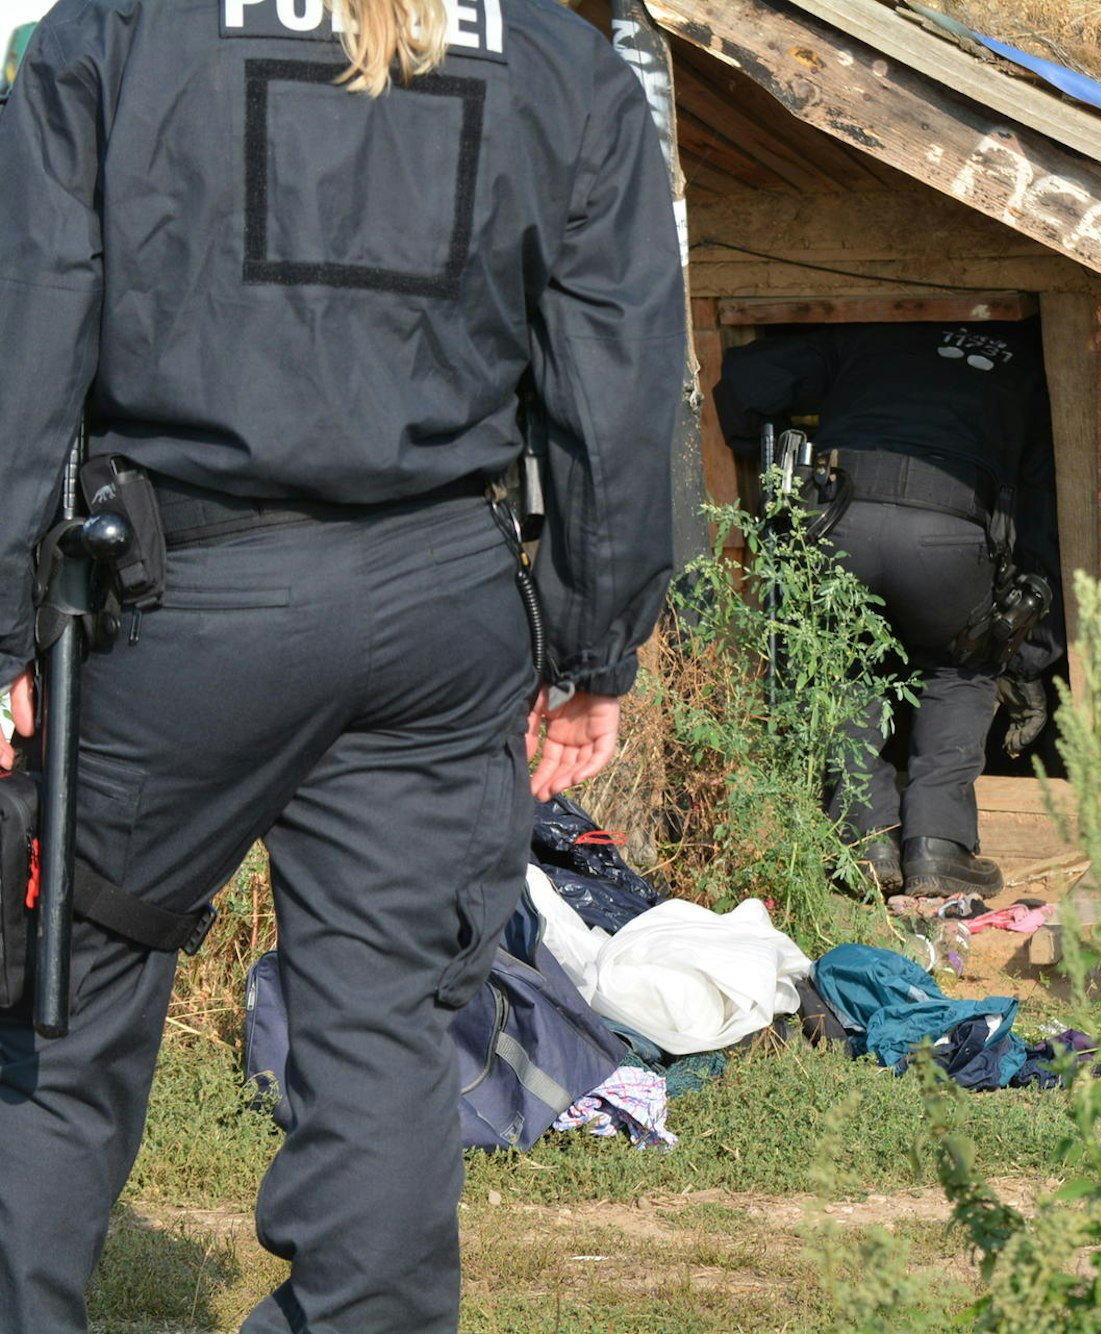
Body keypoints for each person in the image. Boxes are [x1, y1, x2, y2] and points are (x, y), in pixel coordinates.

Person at [0, 0, 685, 1325]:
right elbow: (619, 377)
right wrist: (598, 638)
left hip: (185, 600)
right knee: (385, 1026)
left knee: (59, 999)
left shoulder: (120, 30)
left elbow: (24, 324)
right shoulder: (554, 56)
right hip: (440, 606)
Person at [716, 320, 1061, 899]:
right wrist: (1027, 658)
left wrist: (757, 449)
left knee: (845, 666)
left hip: (838, 518)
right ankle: (939, 849)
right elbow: (1044, 520)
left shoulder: (866, 332)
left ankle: (865, 842)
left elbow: (748, 381)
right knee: (961, 668)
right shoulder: (1029, 360)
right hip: (951, 536)